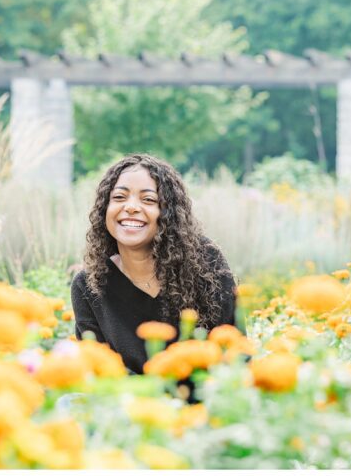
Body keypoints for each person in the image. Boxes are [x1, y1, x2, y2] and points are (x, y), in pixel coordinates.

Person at [70, 153, 237, 377]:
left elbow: (236, 351)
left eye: (148, 199)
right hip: (126, 397)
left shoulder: (207, 263)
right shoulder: (88, 285)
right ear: (104, 209)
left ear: (169, 213)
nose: (131, 207)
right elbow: (98, 372)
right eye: (119, 197)